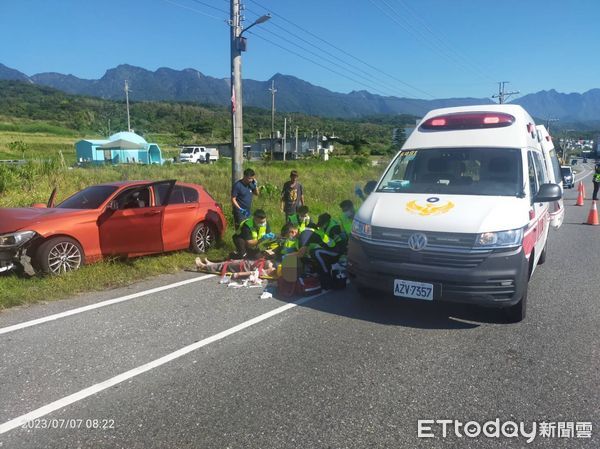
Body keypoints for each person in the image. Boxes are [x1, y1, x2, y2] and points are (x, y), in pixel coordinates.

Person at [195, 256, 276, 278]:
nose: (272, 268)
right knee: (229, 262)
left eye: (272, 270)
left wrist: (238, 274)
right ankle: (210, 264)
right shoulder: (271, 266)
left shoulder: (263, 272)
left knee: (226, 266)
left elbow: (252, 272)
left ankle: (203, 266)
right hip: (246, 262)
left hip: (243, 267)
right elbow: (268, 263)